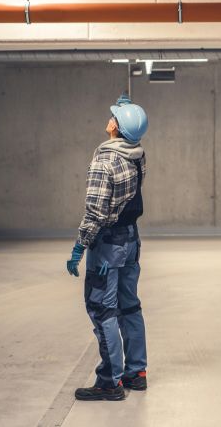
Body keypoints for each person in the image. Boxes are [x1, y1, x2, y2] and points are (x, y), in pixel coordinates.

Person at [65, 93, 149, 401]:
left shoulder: (105, 161)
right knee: (130, 306)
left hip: (108, 247)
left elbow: (96, 212)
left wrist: (79, 248)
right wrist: (127, 107)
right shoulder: (137, 155)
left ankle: (110, 382)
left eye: (114, 116)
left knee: (103, 310)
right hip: (131, 242)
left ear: (117, 128)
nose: (109, 118)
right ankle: (136, 373)